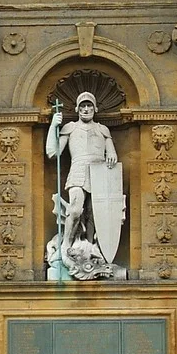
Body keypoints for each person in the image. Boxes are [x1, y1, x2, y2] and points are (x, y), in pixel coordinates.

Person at [46, 91, 117, 266]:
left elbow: (112, 154)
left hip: (100, 173)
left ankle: (92, 247)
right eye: (83, 106)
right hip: (78, 170)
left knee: (95, 214)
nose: (86, 109)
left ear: (95, 108)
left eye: (89, 106)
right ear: (77, 109)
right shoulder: (70, 127)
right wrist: (52, 127)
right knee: (76, 210)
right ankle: (66, 246)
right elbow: (53, 153)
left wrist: (111, 155)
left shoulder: (102, 129)